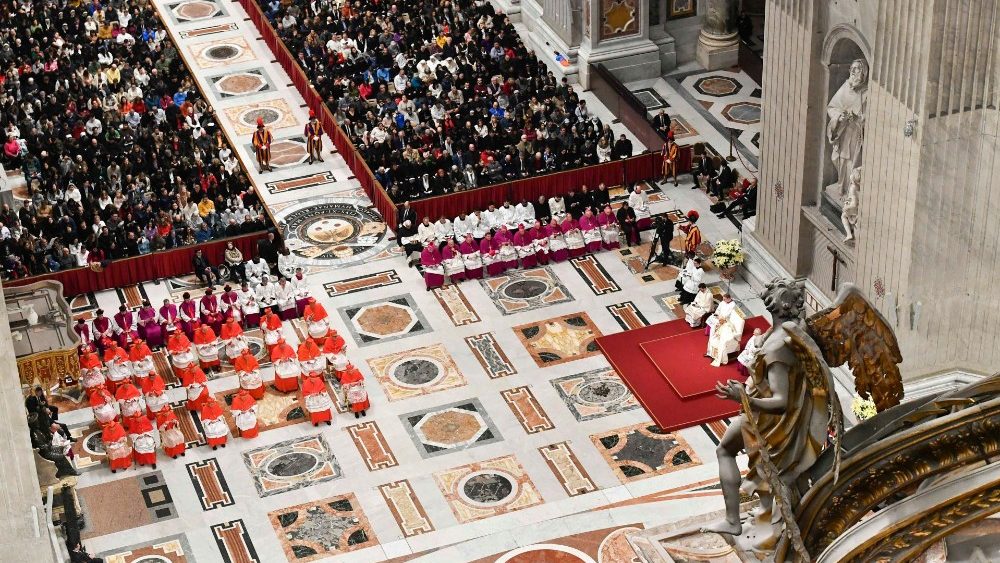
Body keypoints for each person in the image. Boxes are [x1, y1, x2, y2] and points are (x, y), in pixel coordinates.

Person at [707, 295, 744, 367]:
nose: (723, 300)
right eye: (723, 299)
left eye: (724, 299)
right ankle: (710, 353)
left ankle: (720, 358)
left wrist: (721, 318)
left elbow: (728, 315)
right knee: (713, 334)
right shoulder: (723, 302)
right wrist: (717, 314)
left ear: (729, 298)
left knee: (720, 340)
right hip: (721, 318)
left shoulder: (732, 305)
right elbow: (718, 309)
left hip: (725, 320)